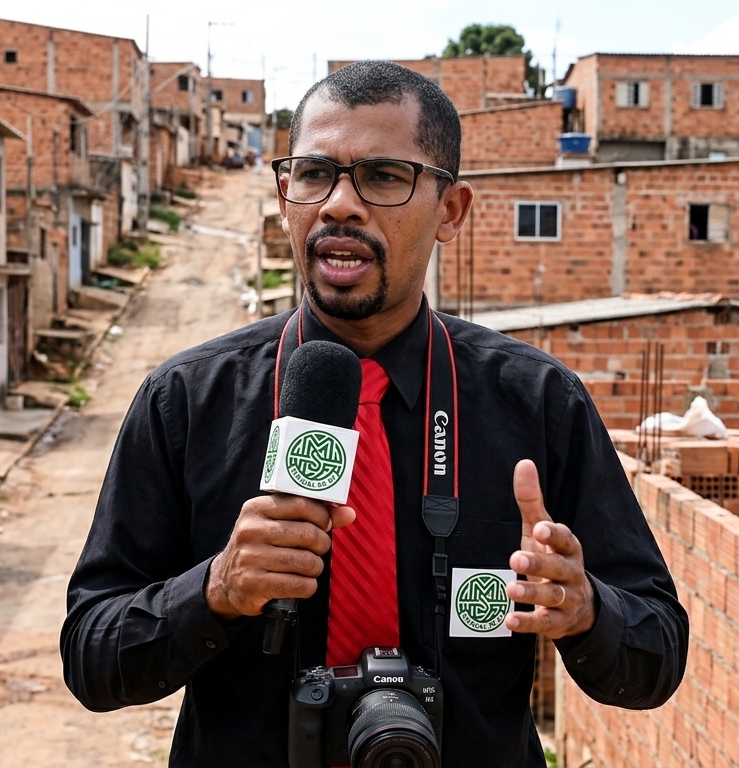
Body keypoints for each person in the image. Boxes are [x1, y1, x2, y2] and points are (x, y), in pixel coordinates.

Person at [61, 60, 688, 766]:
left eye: (384, 177)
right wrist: (214, 589)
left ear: (451, 210)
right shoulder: (188, 402)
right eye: (314, 173)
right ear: (283, 194)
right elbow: (91, 658)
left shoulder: (538, 405)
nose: (339, 204)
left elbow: (657, 655)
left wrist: (586, 611)